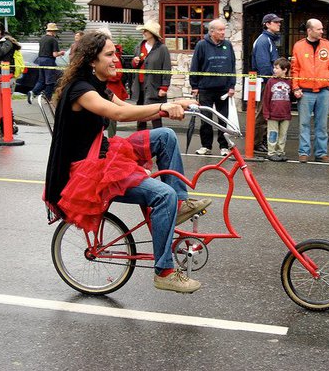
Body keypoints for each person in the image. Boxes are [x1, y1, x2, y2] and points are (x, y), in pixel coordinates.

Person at [44, 31, 210, 293]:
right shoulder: (81, 90)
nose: (116, 59)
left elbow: (126, 105)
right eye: (109, 55)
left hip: (104, 151)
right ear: (91, 60)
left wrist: (174, 105)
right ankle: (164, 271)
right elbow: (120, 114)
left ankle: (180, 204)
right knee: (161, 195)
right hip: (88, 170)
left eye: (115, 53)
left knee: (165, 136)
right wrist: (166, 106)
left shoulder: (97, 84)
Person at [190, 19, 236, 156]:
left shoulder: (228, 45)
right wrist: (194, 85)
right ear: (211, 31)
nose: (223, 33)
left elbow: (232, 66)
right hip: (205, 88)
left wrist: (232, 85)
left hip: (223, 89)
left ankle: (224, 146)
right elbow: (195, 66)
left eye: (224, 30)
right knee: (206, 119)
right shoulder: (201, 45)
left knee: (223, 119)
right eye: (220, 30)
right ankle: (206, 146)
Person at [292, 18, 329, 163]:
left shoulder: (327, 45)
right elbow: (295, 69)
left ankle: (321, 153)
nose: (322, 31)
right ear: (309, 30)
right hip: (305, 91)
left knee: (322, 124)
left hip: (323, 91)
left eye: (322, 29)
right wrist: (296, 87)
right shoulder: (298, 46)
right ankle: (303, 152)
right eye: (319, 29)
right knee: (304, 124)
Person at [131, 20, 171, 131]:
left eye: (146, 30)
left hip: (154, 86)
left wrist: (164, 87)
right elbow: (133, 65)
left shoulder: (162, 48)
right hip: (140, 85)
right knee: (140, 114)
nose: (143, 32)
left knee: (155, 115)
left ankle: (159, 139)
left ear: (152, 33)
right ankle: (140, 139)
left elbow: (167, 68)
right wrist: (135, 62)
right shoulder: (139, 46)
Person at [251, 13, 283, 154]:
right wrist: (271, 81)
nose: (279, 24)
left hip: (268, 81)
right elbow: (264, 66)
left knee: (265, 112)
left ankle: (260, 140)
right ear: (267, 24)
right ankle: (256, 142)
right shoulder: (264, 41)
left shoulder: (269, 40)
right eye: (275, 22)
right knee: (262, 113)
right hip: (266, 82)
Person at [27, 23, 65, 103]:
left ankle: (33, 92)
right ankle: (48, 98)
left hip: (40, 60)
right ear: (53, 31)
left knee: (41, 80)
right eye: (55, 31)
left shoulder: (42, 39)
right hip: (49, 61)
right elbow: (54, 54)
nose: (55, 33)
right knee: (50, 81)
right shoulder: (53, 40)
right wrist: (61, 53)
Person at [262, 57, 292, 161]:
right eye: (274, 68)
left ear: (285, 70)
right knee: (272, 134)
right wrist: (266, 113)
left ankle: (280, 152)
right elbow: (266, 98)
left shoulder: (290, 82)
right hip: (272, 114)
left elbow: (291, 97)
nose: (274, 70)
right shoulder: (271, 82)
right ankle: (271, 152)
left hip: (285, 114)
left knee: (283, 135)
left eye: (277, 68)